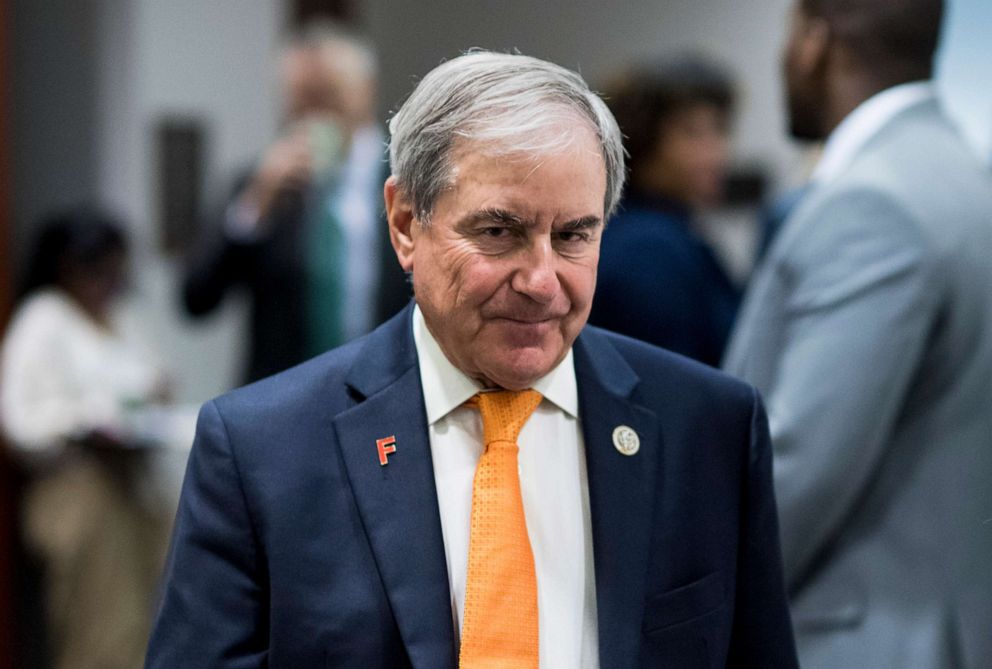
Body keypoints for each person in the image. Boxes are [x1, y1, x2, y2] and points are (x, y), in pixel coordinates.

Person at [146, 51, 798, 668]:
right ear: (405, 223)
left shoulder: (708, 429)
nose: (542, 279)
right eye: (498, 232)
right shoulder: (261, 449)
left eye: (574, 235)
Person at [723, 0, 992, 666]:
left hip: (850, 638)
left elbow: (794, 473)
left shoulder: (872, 204)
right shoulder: (962, 176)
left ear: (815, 43)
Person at [182, 20, 409, 383]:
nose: (314, 116)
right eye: (300, 101)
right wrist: (255, 205)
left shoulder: (407, 178)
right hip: (280, 395)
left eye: (328, 97)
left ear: (366, 90)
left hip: (385, 389)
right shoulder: (257, 183)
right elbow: (196, 300)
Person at [0, 209, 173, 669]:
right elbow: (20, 421)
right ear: (69, 267)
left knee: (145, 625)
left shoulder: (121, 316)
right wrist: (84, 420)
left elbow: (155, 378)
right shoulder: (43, 318)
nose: (109, 283)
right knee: (98, 631)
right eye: (99, 271)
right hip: (79, 489)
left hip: (135, 487)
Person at [589, 55, 741, 366]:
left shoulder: (675, 228)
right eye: (692, 133)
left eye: (720, 130)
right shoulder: (646, 245)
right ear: (643, 139)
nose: (714, 152)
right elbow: (674, 381)